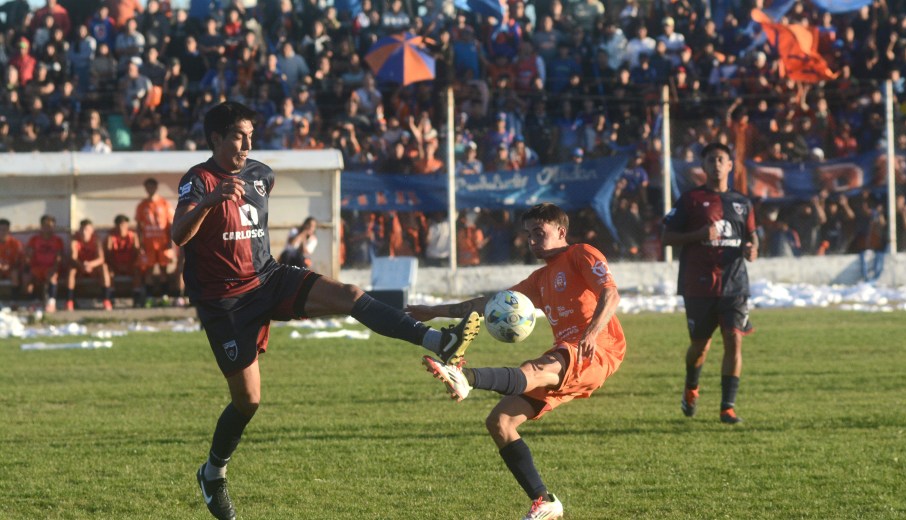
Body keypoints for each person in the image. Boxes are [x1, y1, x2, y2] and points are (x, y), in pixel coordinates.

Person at [175, 101, 480, 520]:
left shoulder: (261, 175)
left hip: (269, 278)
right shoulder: (198, 179)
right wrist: (211, 199)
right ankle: (212, 474)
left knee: (350, 295)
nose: (247, 144)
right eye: (237, 136)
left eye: (250, 135)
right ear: (215, 139)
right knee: (248, 401)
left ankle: (438, 340)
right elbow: (179, 234)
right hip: (226, 301)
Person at [407, 202, 627, 520]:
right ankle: (545, 500)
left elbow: (611, 294)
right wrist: (435, 310)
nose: (532, 240)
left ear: (561, 231)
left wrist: (591, 334)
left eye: (540, 232)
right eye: (528, 234)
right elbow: (490, 304)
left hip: (597, 351)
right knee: (501, 422)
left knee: (537, 369)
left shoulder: (581, 254)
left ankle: (464, 377)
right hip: (569, 357)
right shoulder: (539, 279)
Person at [661, 142, 758, 424]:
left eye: (721, 159)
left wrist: (753, 249)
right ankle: (691, 386)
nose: (716, 164)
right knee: (700, 347)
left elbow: (752, 237)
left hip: (735, 284)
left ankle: (727, 407)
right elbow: (667, 237)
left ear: (730, 165)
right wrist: (700, 233)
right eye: (711, 160)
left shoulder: (743, 202)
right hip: (699, 284)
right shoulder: (690, 200)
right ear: (703, 166)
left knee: (734, 341)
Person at [136, 177, 174, 305]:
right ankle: (149, 297)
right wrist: (139, 243)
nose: (150, 189)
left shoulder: (164, 203)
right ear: (145, 188)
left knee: (164, 269)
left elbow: (170, 224)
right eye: (148, 187)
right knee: (149, 270)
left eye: (152, 186)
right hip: (148, 243)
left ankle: (165, 296)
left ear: (156, 188)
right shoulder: (142, 205)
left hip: (163, 242)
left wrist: (171, 241)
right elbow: (139, 226)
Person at [66, 219, 114, 311]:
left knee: (104, 268)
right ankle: (69, 301)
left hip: (93, 267)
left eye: (87, 230)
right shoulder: (75, 240)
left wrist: (90, 265)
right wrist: (82, 266)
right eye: (82, 230)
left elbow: (101, 258)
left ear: (92, 230)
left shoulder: (96, 240)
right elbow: (73, 257)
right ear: (79, 230)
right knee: (71, 270)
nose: (84, 232)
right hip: (80, 266)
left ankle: (106, 300)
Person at [23, 214, 65, 313]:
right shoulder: (34, 239)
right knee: (27, 277)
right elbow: (29, 255)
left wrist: (54, 268)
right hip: (37, 267)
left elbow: (59, 257)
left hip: (51, 267)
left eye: (50, 226)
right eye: (46, 226)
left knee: (52, 276)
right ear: (41, 227)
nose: (48, 229)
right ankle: (34, 301)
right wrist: (28, 265)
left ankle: (51, 302)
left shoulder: (57, 240)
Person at [105, 214, 144, 307]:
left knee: (137, 271)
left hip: (130, 265)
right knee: (109, 273)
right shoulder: (111, 237)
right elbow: (108, 254)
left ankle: (137, 298)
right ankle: (111, 297)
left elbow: (137, 253)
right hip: (115, 265)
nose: (122, 228)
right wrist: (116, 265)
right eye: (119, 225)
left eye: (124, 225)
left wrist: (129, 265)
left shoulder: (133, 236)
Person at [0, 218, 24, 302]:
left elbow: (19, 260)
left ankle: (14, 301)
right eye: (0, 229)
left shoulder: (15, 243)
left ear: (8, 230)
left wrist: (9, 267)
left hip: (11, 270)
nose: (2, 232)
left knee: (15, 274)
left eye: (5, 230)